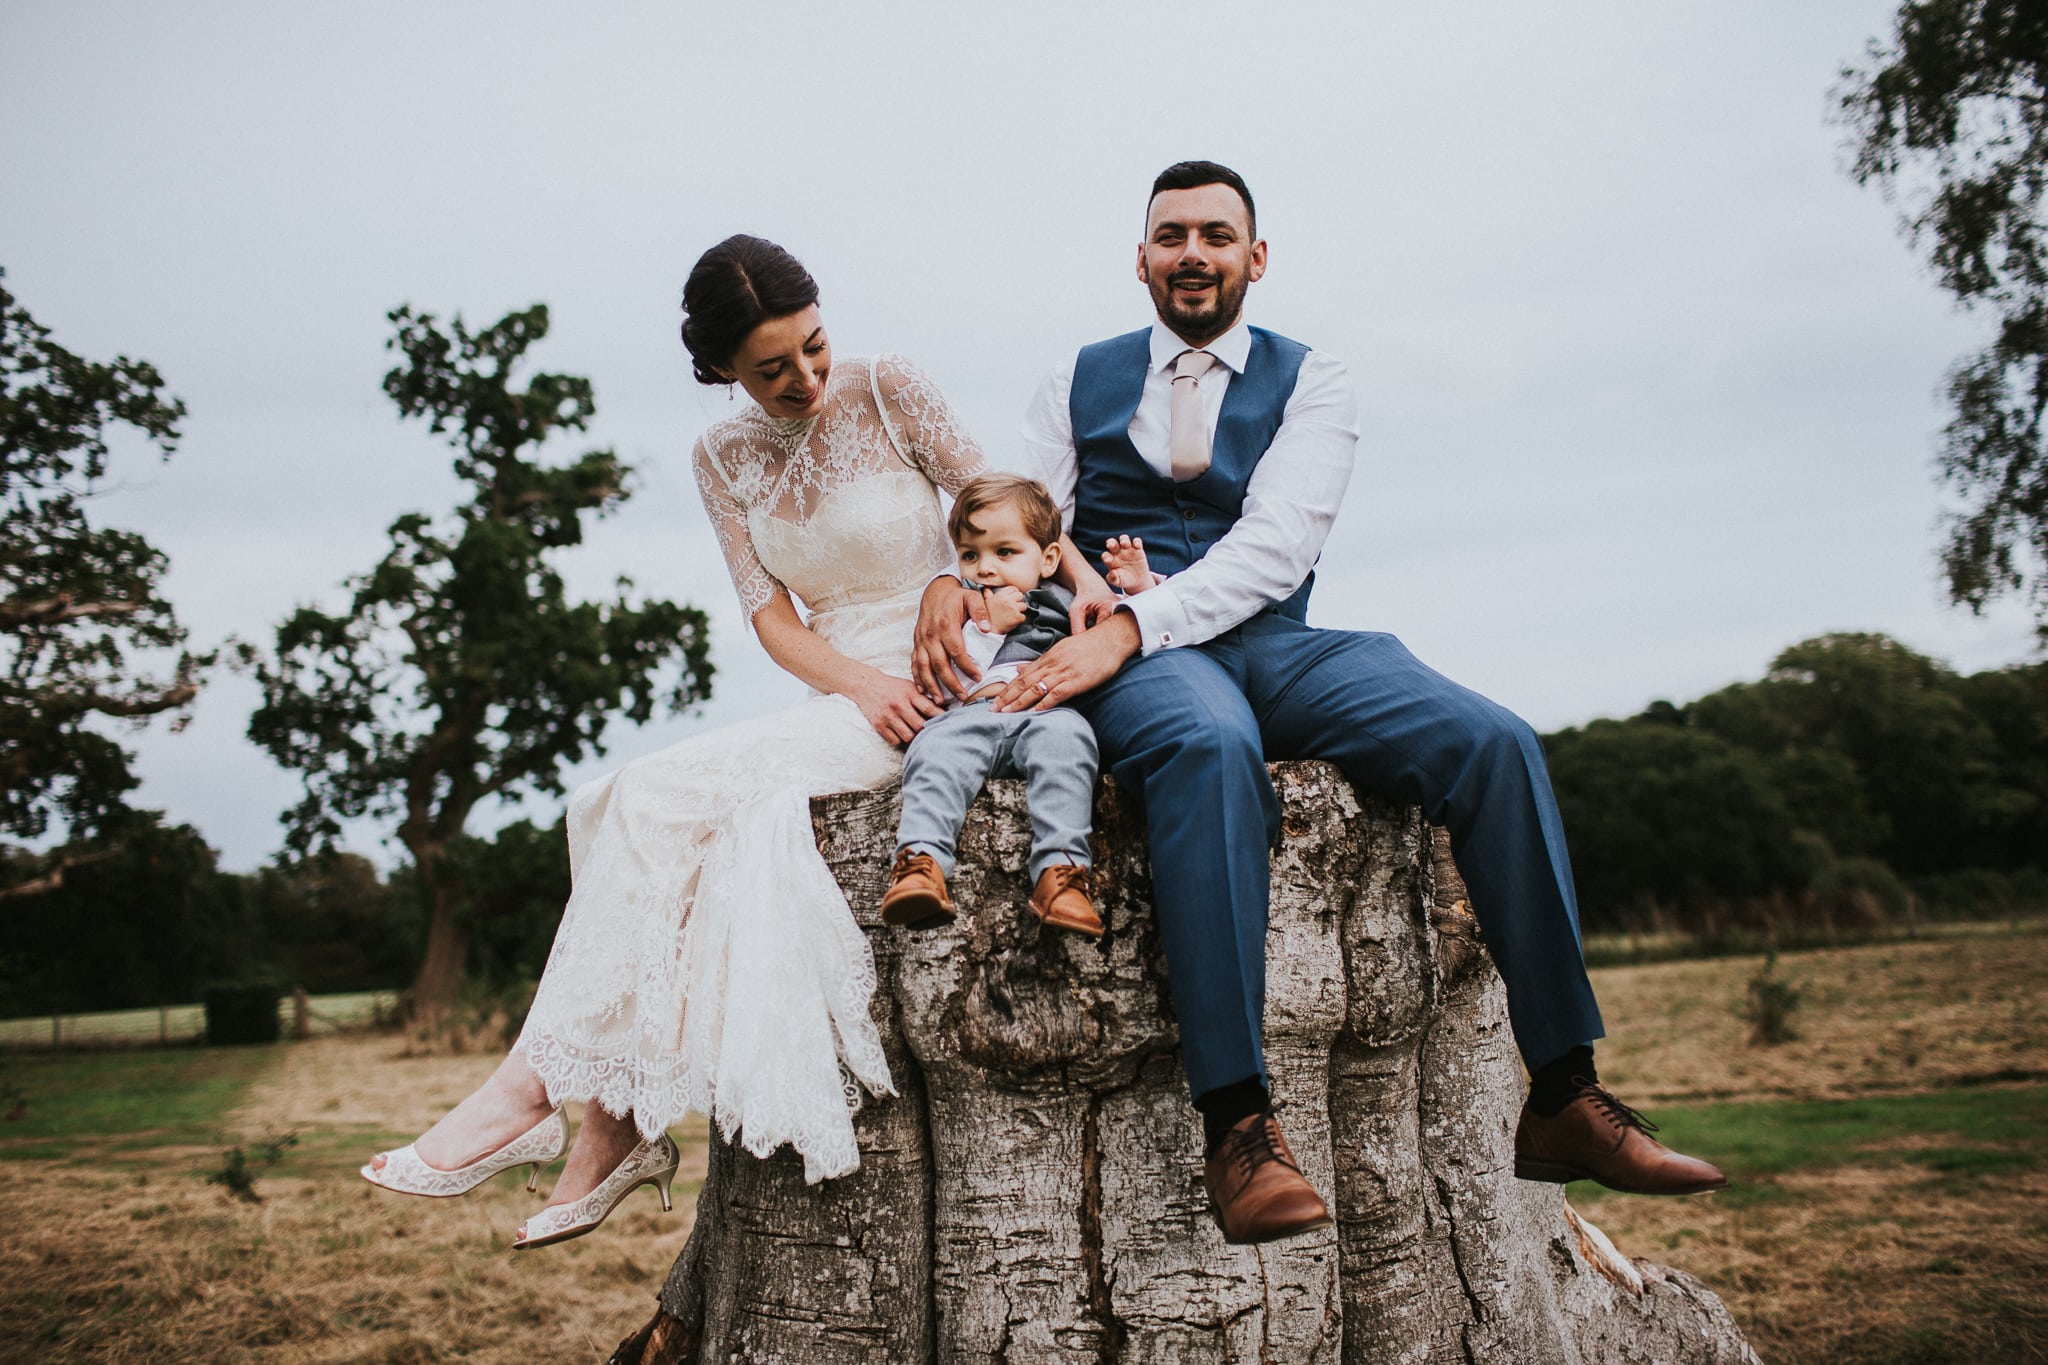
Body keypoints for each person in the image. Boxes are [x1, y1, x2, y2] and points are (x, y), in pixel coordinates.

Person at [915, 161, 1727, 1247]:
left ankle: (1565, 1094)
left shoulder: (1313, 379)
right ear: (1141, 258)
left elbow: (1276, 546)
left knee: (1489, 742)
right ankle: (1239, 1126)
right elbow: (1021, 520)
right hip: (1146, 665)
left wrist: (1128, 625)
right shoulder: (1076, 377)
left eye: (1214, 235)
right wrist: (963, 583)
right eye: (1169, 236)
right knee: (1207, 748)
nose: (1190, 253)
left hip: (1264, 638)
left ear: (1254, 258)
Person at [362, 234, 993, 1248]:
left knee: (653, 796)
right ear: (719, 372)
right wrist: (856, 684)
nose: (805, 379)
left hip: (939, 687)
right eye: (770, 368)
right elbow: (771, 618)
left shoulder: (889, 388)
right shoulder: (720, 455)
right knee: (603, 800)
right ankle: (616, 1120)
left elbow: (1000, 511)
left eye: (814, 347)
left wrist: (945, 588)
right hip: (845, 691)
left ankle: (532, 1090)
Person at [881, 474, 1106, 938]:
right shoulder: (963, 610)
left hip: (1044, 714)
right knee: (934, 751)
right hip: (971, 714)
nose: (984, 568)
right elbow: (945, 680)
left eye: (1004, 553)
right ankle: (921, 863)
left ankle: (1061, 874)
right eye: (970, 555)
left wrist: (1137, 582)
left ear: (1048, 559)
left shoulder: (1070, 601)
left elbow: (1124, 628)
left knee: (1071, 741)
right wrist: (986, 631)